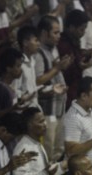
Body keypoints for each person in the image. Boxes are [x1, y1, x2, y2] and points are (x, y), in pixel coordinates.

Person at [34, 15, 69, 163]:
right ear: (44, 33)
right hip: (47, 110)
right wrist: (57, 68)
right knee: (47, 150)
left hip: (59, 107)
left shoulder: (53, 49)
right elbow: (37, 81)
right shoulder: (38, 53)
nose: (58, 36)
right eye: (55, 32)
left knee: (58, 149)